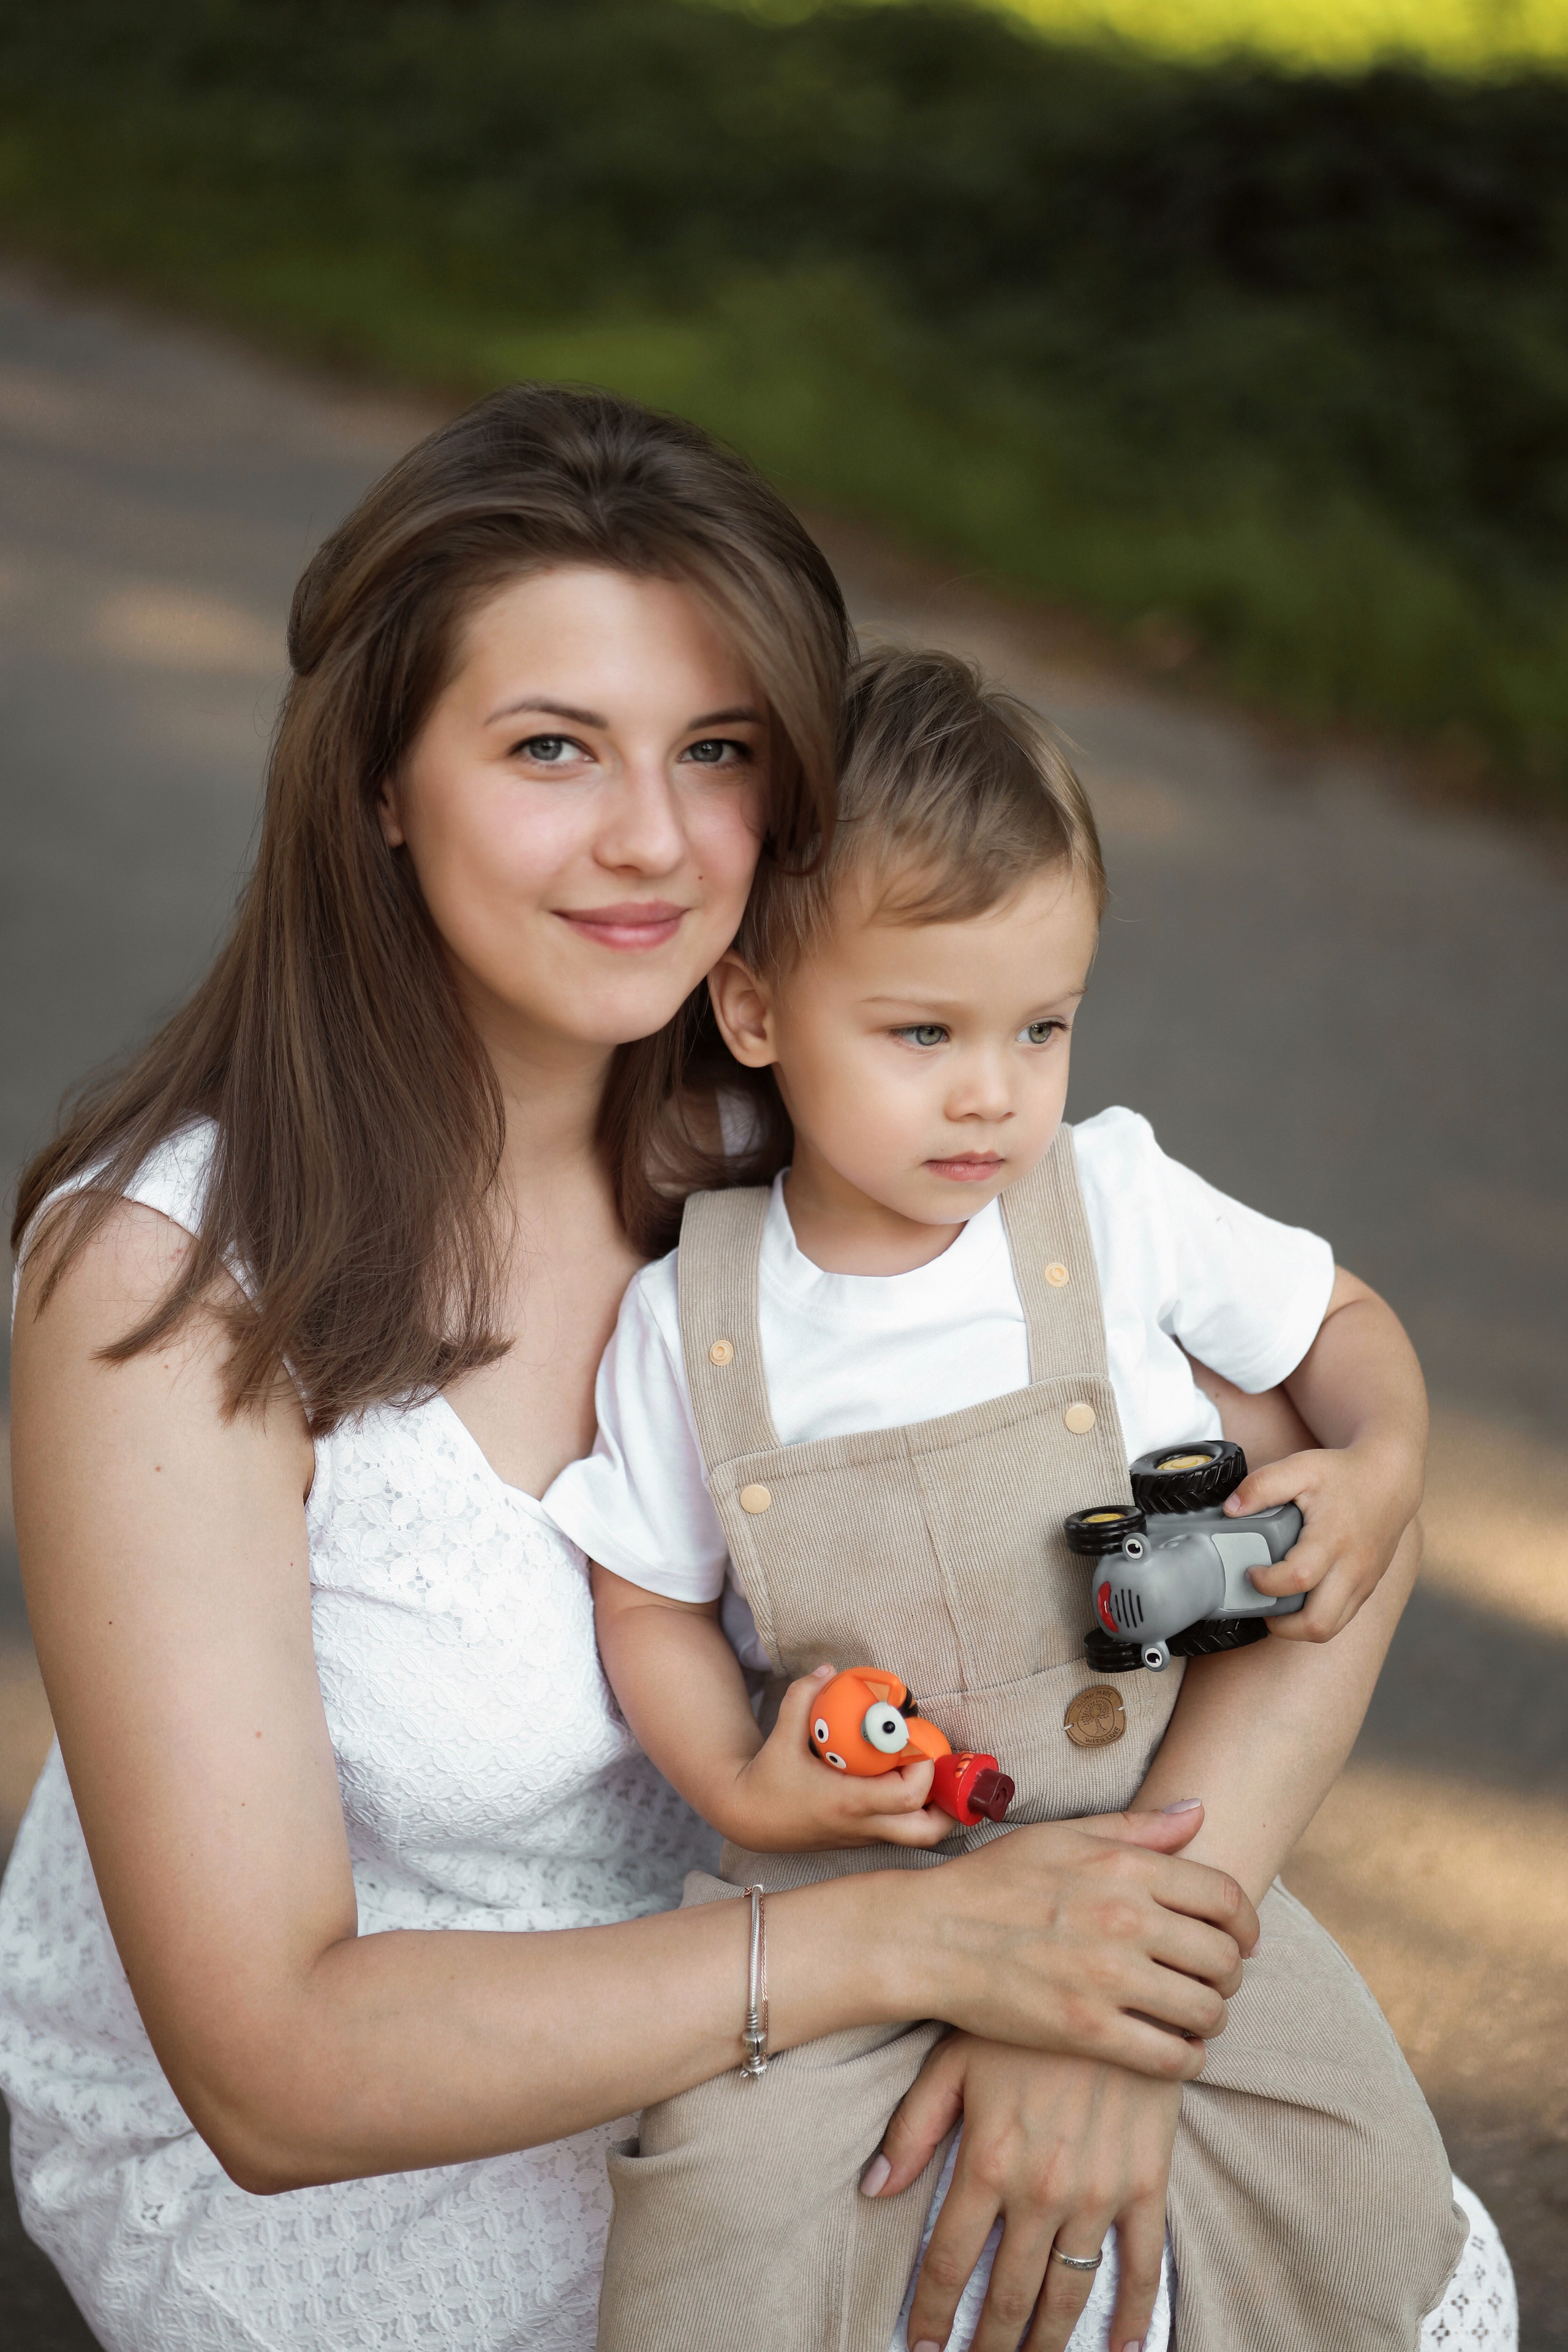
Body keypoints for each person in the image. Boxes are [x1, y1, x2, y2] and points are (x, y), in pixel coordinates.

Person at [1, 385, 1267, 2352]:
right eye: (548, 748)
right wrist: (936, 1943)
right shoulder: (161, 1285)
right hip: (386, 2156)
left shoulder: (820, 1129)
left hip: (836, 2027)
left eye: (718, 752)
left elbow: (1313, 1530)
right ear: (377, 785)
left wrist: (1123, 2000)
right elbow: (273, 2072)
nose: (655, 840)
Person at [549, 647, 1475, 2352]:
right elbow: (649, 1599)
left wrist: (1379, 1463)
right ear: (755, 1012)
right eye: (923, 1032)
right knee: (729, 2201)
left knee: (1338, 2186)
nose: (993, 1090)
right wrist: (740, 1776)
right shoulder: (701, 1316)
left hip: (1153, 1853)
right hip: (866, 1902)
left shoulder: (1106, 1198)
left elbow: (1341, 1322)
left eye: (1040, 1025)